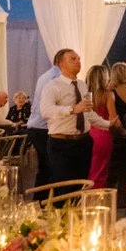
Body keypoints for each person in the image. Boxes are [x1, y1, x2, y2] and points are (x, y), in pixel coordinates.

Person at [40, 49, 109, 184]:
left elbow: (88, 113)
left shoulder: (82, 85)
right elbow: (46, 111)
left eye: (78, 59)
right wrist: (72, 109)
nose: (78, 61)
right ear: (61, 64)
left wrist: (108, 124)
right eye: (73, 59)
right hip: (61, 143)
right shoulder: (52, 86)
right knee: (64, 185)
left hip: (84, 141)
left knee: (82, 184)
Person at [27, 57, 63, 186]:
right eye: (73, 59)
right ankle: (48, 197)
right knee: (51, 169)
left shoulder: (46, 75)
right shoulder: (57, 78)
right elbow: (55, 106)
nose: (78, 62)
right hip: (44, 128)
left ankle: (40, 196)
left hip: (36, 126)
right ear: (61, 61)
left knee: (45, 169)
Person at [108, 62, 126, 211]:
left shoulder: (111, 92)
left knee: (116, 171)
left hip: (118, 137)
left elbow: (114, 119)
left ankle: (118, 204)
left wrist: (123, 132)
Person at [86, 64, 115, 189]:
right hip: (102, 135)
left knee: (87, 173)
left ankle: (85, 198)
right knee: (100, 173)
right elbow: (113, 119)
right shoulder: (107, 94)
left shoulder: (84, 95)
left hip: (86, 134)